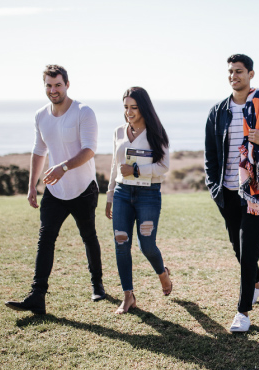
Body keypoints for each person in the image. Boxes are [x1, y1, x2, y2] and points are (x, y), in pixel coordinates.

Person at [5, 64, 105, 315]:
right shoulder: (40, 115)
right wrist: (31, 186)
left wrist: (63, 167)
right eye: (49, 85)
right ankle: (37, 296)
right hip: (54, 191)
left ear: (67, 84)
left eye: (58, 84)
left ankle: (97, 285)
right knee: (45, 239)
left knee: (88, 236)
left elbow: (89, 150)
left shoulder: (84, 112)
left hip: (83, 188)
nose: (53, 90)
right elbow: (39, 151)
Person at [204, 54, 259, 332]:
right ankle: (256, 281)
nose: (234, 76)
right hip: (227, 191)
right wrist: (214, 188)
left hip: (256, 191)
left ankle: (242, 312)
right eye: (230, 71)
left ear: (251, 74)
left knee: (249, 246)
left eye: (239, 71)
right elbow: (210, 156)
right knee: (238, 247)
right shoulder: (217, 112)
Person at [105, 87, 173, 314]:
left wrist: (135, 170)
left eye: (134, 108)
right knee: (121, 244)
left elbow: (163, 166)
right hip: (123, 194)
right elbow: (115, 166)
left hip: (148, 195)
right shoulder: (118, 132)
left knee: (147, 246)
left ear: (144, 108)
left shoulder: (156, 132)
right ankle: (128, 296)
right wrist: (110, 195)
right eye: (126, 108)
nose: (129, 112)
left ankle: (162, 272)